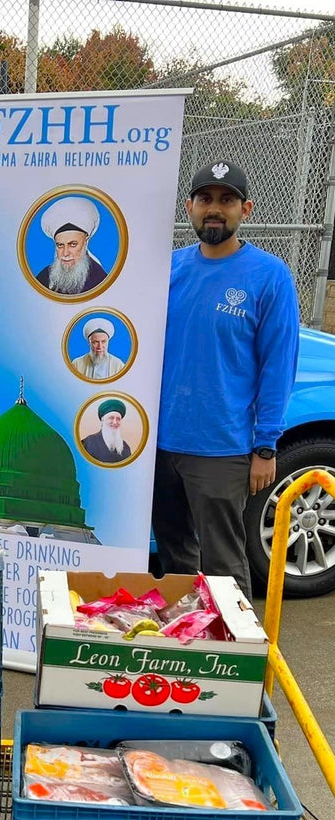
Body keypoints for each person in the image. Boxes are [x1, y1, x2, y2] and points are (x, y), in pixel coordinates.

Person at [153, 160, 300, 598]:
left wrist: (265, 445)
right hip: (157, 443)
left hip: (220, 447)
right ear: (190, 207)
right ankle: (187, 644)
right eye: (205, 199)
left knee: (223, 567)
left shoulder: (269, 276)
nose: (214, 209)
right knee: (175, 558)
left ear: (246, 209)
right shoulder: (167, 269)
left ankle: (237, 660)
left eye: (226, 200)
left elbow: (278, 366)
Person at [34, 196, 109, 296]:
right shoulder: (43, 278)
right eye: (60, 245)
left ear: (85, 242)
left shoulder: (100, 280)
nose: (65, 253)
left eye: (73, 244)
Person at [81, 398, 132, 464]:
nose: (115, 422)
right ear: (102, 420)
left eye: (118, 419)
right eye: (111, 418)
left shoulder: (126, 447)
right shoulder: (88, 443)